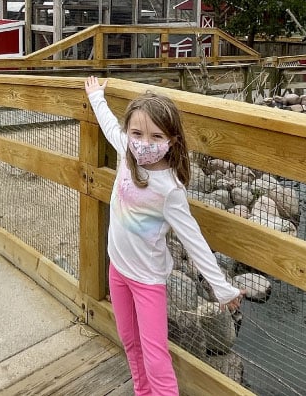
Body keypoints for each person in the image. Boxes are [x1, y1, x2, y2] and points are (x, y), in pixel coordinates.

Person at [84, 76, 244, 396]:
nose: (144, 142)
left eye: (156, 135)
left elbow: (194, 240)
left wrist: (222, 288)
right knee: (129, 341)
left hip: (147, 282)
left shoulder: (170, 189)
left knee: (156, 355)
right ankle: (142, 392)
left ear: (171, 139)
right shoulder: (125, 153)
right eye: (137, 133)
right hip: (117, 268)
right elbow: (109, 124)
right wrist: (97, 97)